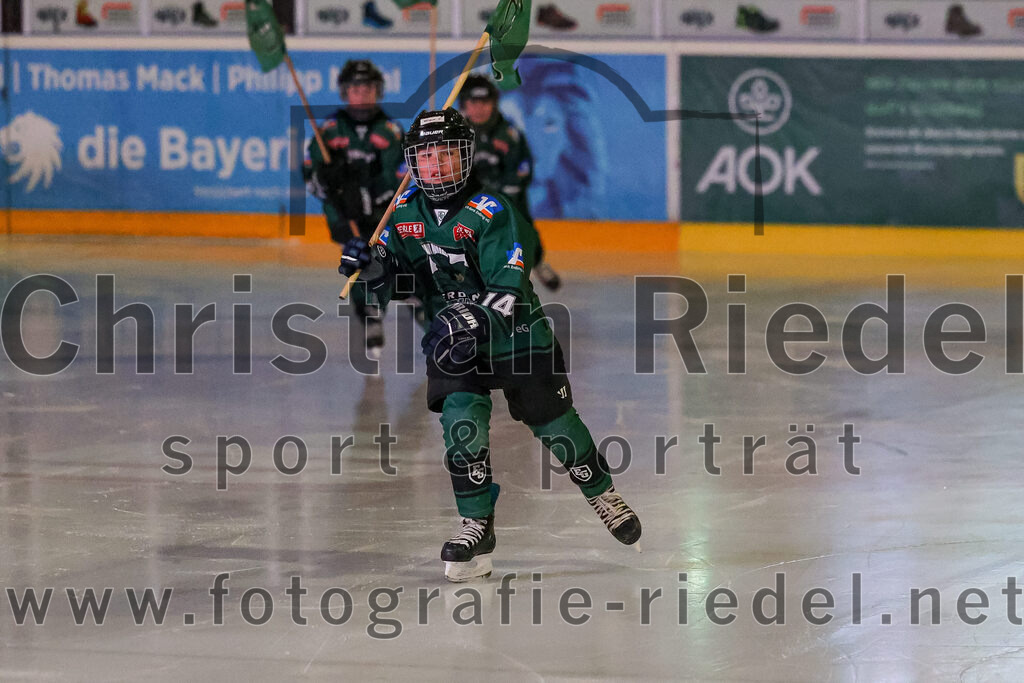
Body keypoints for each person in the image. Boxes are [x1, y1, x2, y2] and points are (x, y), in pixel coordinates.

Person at [338, 109, 641, 582]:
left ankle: (602, 492)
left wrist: (473, 317)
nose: (436, 165)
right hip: (454, 339)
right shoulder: (403, 214)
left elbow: (509, 282)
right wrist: (369, 266)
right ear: (412, 163)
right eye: (426, 157)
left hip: (516, 334)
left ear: (465, 156)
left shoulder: (492, 210)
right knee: (461, 426)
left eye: (445, 154)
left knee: (555, 425)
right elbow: (393, 285)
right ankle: (476, 526)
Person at [304, 59, 403, 357]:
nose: (362, 95)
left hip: (381, 213)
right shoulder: (329, 131)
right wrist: (327, 182)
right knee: (357, 258)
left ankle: (397, 305)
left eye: (368, 88)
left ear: (378, 91)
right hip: (343, 214)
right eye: (355, 89)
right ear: (345, 92)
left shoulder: (391, 131)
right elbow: (310, 175)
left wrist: (367, 194)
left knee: (386, 262)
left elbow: (399, 178)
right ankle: (369, 314)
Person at [458, 73, 561, 291]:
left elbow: (522, 167)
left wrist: (507, 189)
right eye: (473, 102)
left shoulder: (508, 134)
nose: (479, 108)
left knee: (523, 231)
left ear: (494, 103)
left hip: (507, 197)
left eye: (484, 102)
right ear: (464, 104)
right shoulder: (458, 136)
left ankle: (537, 261)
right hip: (471, 200)